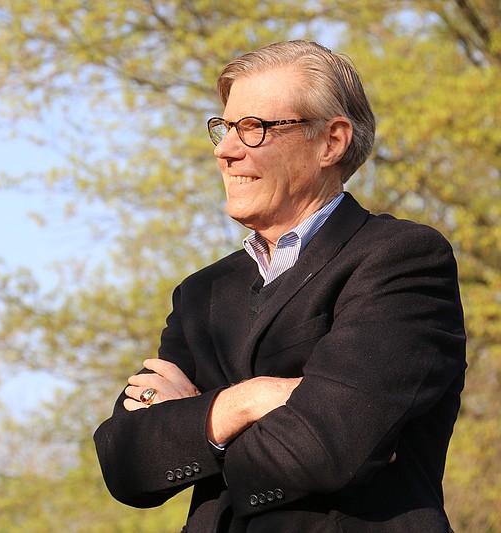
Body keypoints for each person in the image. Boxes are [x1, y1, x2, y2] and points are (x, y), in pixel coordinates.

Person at [93, 40, 466, 532]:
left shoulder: (401, 258)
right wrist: (248, 400)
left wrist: (192, 423)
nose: (226, 150)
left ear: (331, 142)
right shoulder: (200, 293)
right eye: (223, 128)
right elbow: (126, 462)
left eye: (254, 128)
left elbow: (324, 447)